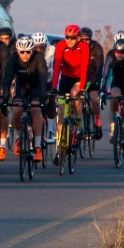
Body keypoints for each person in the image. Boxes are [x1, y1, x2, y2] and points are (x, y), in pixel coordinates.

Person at [2, 34, 47, 162]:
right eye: (22, 52)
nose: (25, 55)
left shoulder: (38, 58)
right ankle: (19, 137)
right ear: (17, 51)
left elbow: (43, 79)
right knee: (16, 110)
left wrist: (43, 100)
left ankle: (37, 147)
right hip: (22, 87)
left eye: (28, 52)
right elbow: (7, 78)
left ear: (32, 50)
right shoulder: (13, 59)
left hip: (36, 86)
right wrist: (5, 99)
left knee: (35, 109)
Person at [50, 24, 90, 164]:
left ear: (78, 38)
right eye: (67, 37)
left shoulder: (83, 47)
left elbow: (85, 67)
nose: (69, 41)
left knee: (75, 96)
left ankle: (79, 125)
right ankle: (60, 149)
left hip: (80, 78)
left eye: (72, 38)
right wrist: (54, 87)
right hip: (66, 78)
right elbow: (56, 68)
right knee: (61, 114)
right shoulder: (61, 46)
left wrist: (82, 87)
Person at [0, 26, 15, 161]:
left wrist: (6, 87)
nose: (5, 41)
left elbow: (7, 70)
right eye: (2, 38)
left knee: (1, 106)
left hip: (2, 79)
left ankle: (2, 145)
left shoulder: (7, 49)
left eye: (7, 38)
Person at [79, 27, 104, 137]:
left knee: (94, 98)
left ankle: (97, 122)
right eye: (82, 40)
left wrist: (94, 83)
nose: (85, 42)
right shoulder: (76, 48)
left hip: (93, 77)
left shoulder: (97, 48)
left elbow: (99, 68)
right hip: (80, 78)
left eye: (87, 40)